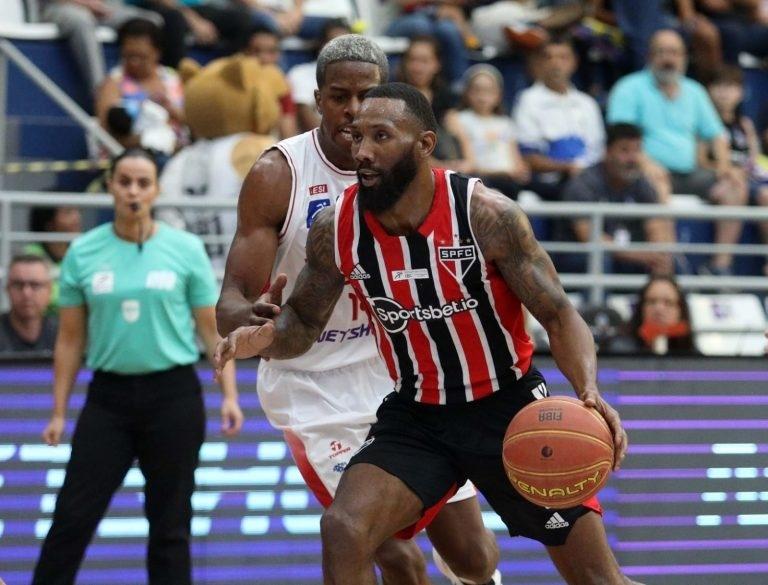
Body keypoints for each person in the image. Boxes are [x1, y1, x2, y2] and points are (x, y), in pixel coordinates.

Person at [215, 82, 637, 585]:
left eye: (380, 136)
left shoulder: (485, 215)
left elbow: (560, 314)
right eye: (356, 138)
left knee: (596, 580)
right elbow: (302, 322)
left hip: (507, 406)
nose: (363, 151)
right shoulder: (337, 227)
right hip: (416, 413)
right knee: (344, 528)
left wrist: (587, 390)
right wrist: (264, 338)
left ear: (424, 144)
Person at [216, 36, 502, 585]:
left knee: (474, 556)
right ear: (318, 98)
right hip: (316, 384)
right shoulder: (281, 173)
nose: (351, 111)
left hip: (406, 371)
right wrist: (247, 319)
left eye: (365, 96)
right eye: (338, 96)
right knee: (383, 546)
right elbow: (231, 296)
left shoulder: (409, 167)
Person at [32, 148, 244, 585]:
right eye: (124, 181)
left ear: (156, 189)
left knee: (170, 527)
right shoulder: (84, 253)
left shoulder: (184, 249)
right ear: (110, 185)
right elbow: (70, 340)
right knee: (72, 516)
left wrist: (229, 397)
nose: (133, 191)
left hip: (174, 397)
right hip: (108, 399)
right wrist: (57, 411)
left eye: (142, 183)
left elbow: (210, 333)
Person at [607, 29, 748, 276]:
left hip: (690, 173)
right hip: (644, 171)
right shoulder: (629, 88)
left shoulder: (694, 91)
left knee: (735, 186)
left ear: (684, 57)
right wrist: (646, 163)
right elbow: (621, 137)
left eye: (674, 52)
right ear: (649, 56)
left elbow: (716, 135)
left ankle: (719, 267)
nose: (668, 58)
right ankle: (667, 270)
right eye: (661, 52)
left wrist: (725, 166)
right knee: (657, 184)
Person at [556, 123, 675, 275]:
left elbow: (657, 227)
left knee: (666, 261)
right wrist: (640, 255)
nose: (632, 158)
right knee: (601, 259)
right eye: (625, 150)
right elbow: (589, 237)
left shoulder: (641, 183)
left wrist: (657, 254)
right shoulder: (583, 184)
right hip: (578, 257)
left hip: (628, 256)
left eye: (637, 150)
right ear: (607, 152)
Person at [514, 36, 605, 201]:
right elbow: (528, 156)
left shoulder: (587, 104)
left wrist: (580, 167)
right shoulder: (528, 100)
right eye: (549, 57)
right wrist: (568, 167)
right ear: (540, 63)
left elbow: (597, 149)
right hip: (546, 184)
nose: (556, 64)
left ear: (574, 63)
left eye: (563, 57)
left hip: (587, 180)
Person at [96, 18, 187, 156]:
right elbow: (105, 135)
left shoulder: (172, 78)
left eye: (142, 56)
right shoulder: (114, 82)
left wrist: (171, 110)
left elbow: (192, 122)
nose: (134, 62)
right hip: (136, 157)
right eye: (128, 56)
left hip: (180, 154)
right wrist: (148, 141)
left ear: (157, 52)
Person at [39, 0, 162, 96]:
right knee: (83, 21)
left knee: (152, 20)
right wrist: (86, 4)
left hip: (100, 8)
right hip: (60, 7)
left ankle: (154, 87)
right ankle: (100, 93)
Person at [399, 35, 473, 173]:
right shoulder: (396, 98)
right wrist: (442, 167)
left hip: (447, 165)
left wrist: (469, 162)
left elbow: (460, 134)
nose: (417, 67)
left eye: (424, 61)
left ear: (436, 64)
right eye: (412, 60)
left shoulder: (445, 97)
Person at [456, 63, 530, 199]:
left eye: (489, 91)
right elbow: (467, 161)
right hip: (479, 180)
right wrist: (500, 173)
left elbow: (516, 158)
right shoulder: (460, 120)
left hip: (509, 180)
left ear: (499, 95)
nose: (482, 96)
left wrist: (521, 171)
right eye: (477, 90)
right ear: (466, 92)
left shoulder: (505, 123)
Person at [287, 18, 352, 133]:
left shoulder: (358, 77)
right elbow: (307, 120)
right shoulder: (300, 74)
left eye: (345, 46)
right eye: (334, 45)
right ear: (321, 46)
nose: (340, 51)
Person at [25, 206, 83, 314]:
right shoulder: (31, 254)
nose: (77, 217)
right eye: (68, 212)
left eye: (77, 212)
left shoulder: (79, 254)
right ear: (49, 224)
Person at [0, 255, 58, 355]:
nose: (26, 293)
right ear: (7, 289)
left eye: (35, 285)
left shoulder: (65, 335)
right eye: (18, 285)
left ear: (50, 290)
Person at [626, 274, 695, 355]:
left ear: (680, 310)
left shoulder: (696, 359)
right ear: (641, 308)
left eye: (668, 303)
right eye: (651, 301)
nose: (658, 309)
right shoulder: (621, 353)